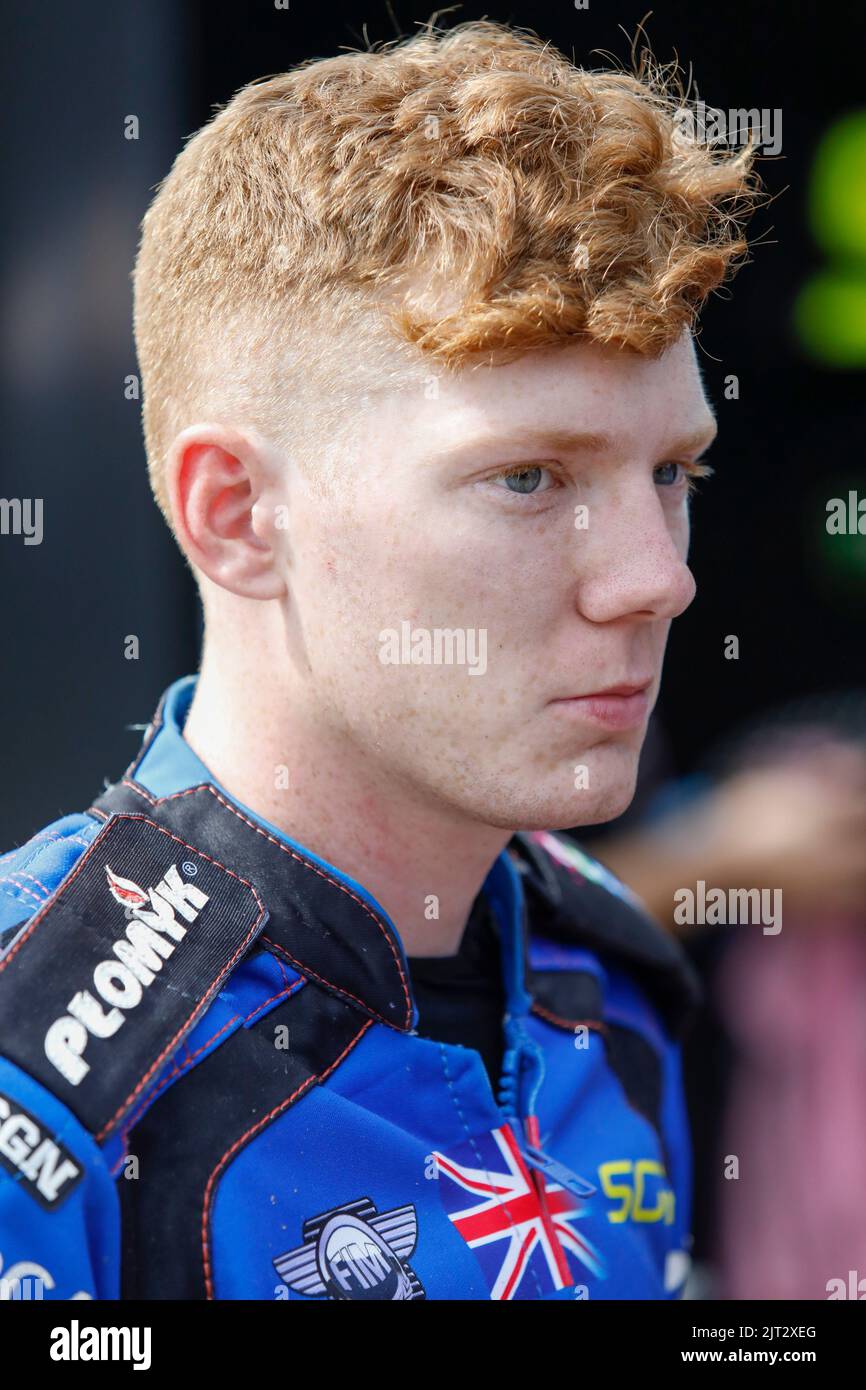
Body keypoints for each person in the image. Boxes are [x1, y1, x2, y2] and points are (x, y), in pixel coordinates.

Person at [0, 20, 757, 1301]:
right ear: (238, 516)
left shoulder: (612, 980)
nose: (656, 576)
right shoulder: (43, 1077)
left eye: (669, 473)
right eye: (528, 477)